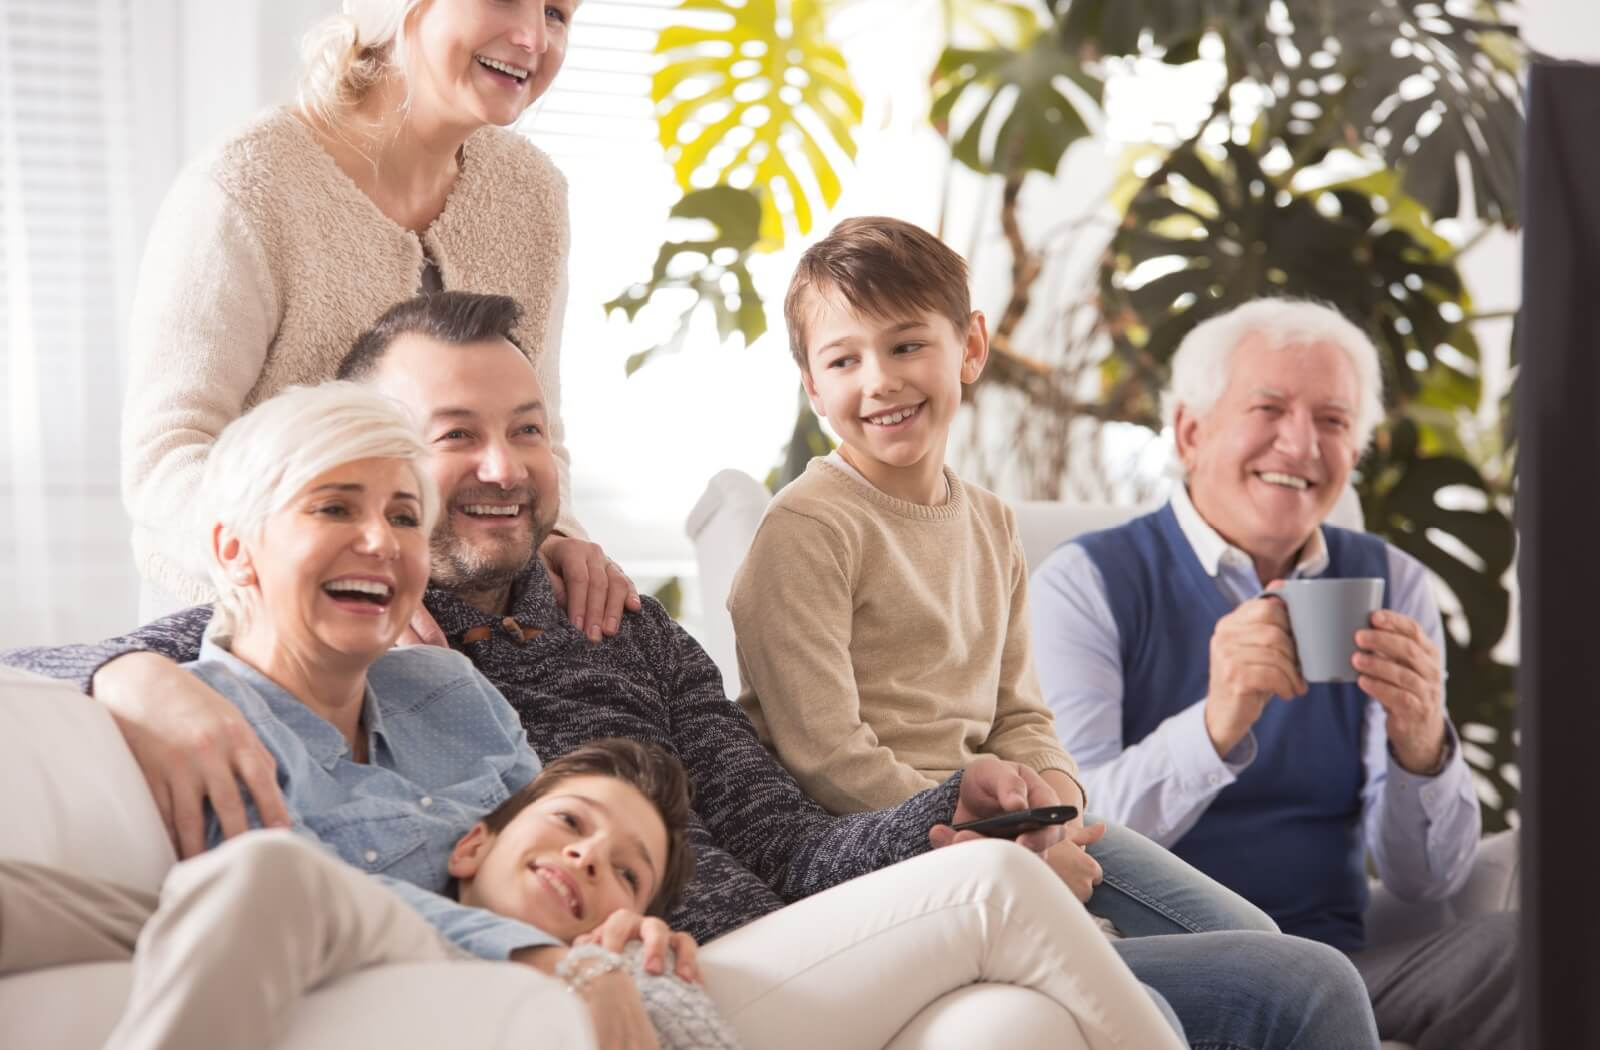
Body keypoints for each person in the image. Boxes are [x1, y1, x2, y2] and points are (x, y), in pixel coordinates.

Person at [5, 292, 1378, 1049]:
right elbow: (156, 649)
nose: (500, 466)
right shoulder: (312, 632)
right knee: (1290, 985)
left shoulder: (576, 643)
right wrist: (135, 669)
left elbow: (781, 833)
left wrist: (937, 814)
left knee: (1278, 968)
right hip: (681, 973)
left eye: (529, 428)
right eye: (451, 438)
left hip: (773, 933)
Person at [0, 385, 712, 1050]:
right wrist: (543, 958)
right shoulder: (201, 722)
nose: (381, 542)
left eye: (403, 518)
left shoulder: (455, 692)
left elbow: (532, 852)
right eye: (335, 509)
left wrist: (620, 936)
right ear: (234, 551)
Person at [730, 215, 1263, 934]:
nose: (880, 381)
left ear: (971, 347)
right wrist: (1005, 848)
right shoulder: (808, 528)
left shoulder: (990, 521)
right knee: (1287, 978)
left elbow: (1020, 716)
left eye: (907, 345)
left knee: (1259, 942)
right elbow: (827, 757)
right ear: (814, 389)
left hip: (1001, 826)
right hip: (887, 846)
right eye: (844, 361)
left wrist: (1058, 812)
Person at [1028, 297, 1518, 1049]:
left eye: (1333, 420)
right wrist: (1215, 726)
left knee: (1529, 950)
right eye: (1269, 409)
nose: (1302, 444)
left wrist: (1422, 744)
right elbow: (1079, 836)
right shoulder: (1085, 584)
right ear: (1190, 433)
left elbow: (1426, 883)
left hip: (1346, 967)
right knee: (1287, 984)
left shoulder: (1393, 584)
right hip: (1161, 974)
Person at [120, 0, 636, 639]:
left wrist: (555, 535)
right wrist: (339, 577)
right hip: (253, 635)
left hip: (465, 637)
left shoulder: (531, 192)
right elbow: (167, 459)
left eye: (557, 13)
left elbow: (537, 426)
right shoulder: (246, 187)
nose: (534, 38)